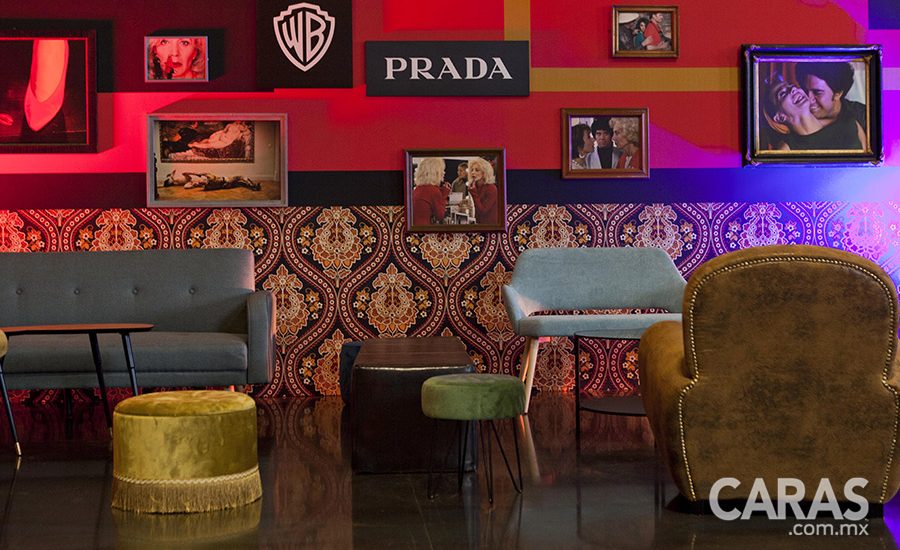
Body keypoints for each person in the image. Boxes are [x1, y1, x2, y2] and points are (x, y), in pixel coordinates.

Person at [763, 73, 863, 151]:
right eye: (783, 93)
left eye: (791, 85)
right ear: (780, 117)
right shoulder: (785, 150)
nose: (793, 89)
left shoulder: (849, 122)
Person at [796, 61, 868, 148]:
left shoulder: (865, 117)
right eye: (805, 90)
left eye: (817, 92)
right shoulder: (795, 117)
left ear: (838, 94)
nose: (808, 99)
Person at [411, 157, 450, 226]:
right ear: (435, 173)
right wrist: (444, 195)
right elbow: (440, 216)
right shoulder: (433, 190)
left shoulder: (418, 189)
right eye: (442, 170)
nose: (443, 173)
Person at [466, 157, 499, 225]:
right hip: (477, 223)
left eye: (477, 170)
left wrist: (474, 193)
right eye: (472, 170)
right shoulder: (474, 186)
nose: (473, 172)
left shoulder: (491, 188)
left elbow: (483, 211)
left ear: (484, 172)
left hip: (489, 225)